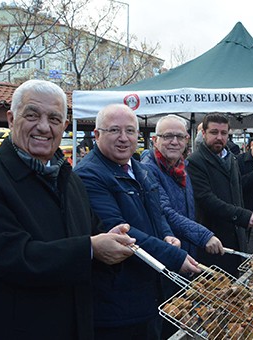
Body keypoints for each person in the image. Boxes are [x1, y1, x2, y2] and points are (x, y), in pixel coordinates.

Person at [0, 80, 135, 339]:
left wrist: (113, 240)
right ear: (11, 119)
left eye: (54, 119)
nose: (44, 127)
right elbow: (14, 256)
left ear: (65, 127)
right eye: (32, 115)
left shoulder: (70, 180)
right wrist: (91, 248)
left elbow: (92, 233)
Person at [75, 104, 200, 339]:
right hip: (118, 301)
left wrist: (166, 234)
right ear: (97, 134)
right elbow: (122, 231)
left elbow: (158, 212)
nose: (124, 138)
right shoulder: (88, 175)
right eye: (114, 130)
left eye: (130, 131)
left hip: (151, 292)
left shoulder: (141, 169)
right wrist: (174, 256)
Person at [187, 113, 253, 276]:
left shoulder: (232, 158)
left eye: (223, 133)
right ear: (204, 133)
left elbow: (238, 193)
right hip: (214, 239)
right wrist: (241, 215)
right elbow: (206, 199)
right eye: (214, 132)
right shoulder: (195, 161)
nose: (219, 137)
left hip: (237, 237)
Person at [141, 115, 223, 257]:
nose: (174, 142)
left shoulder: (182, 167)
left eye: (180, 137)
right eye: (167, 136)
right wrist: (203, 236)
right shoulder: (147, 171)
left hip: (186, 251)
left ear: (186, 140)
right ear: (155, 140)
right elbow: (165, 212)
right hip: (167, 252)